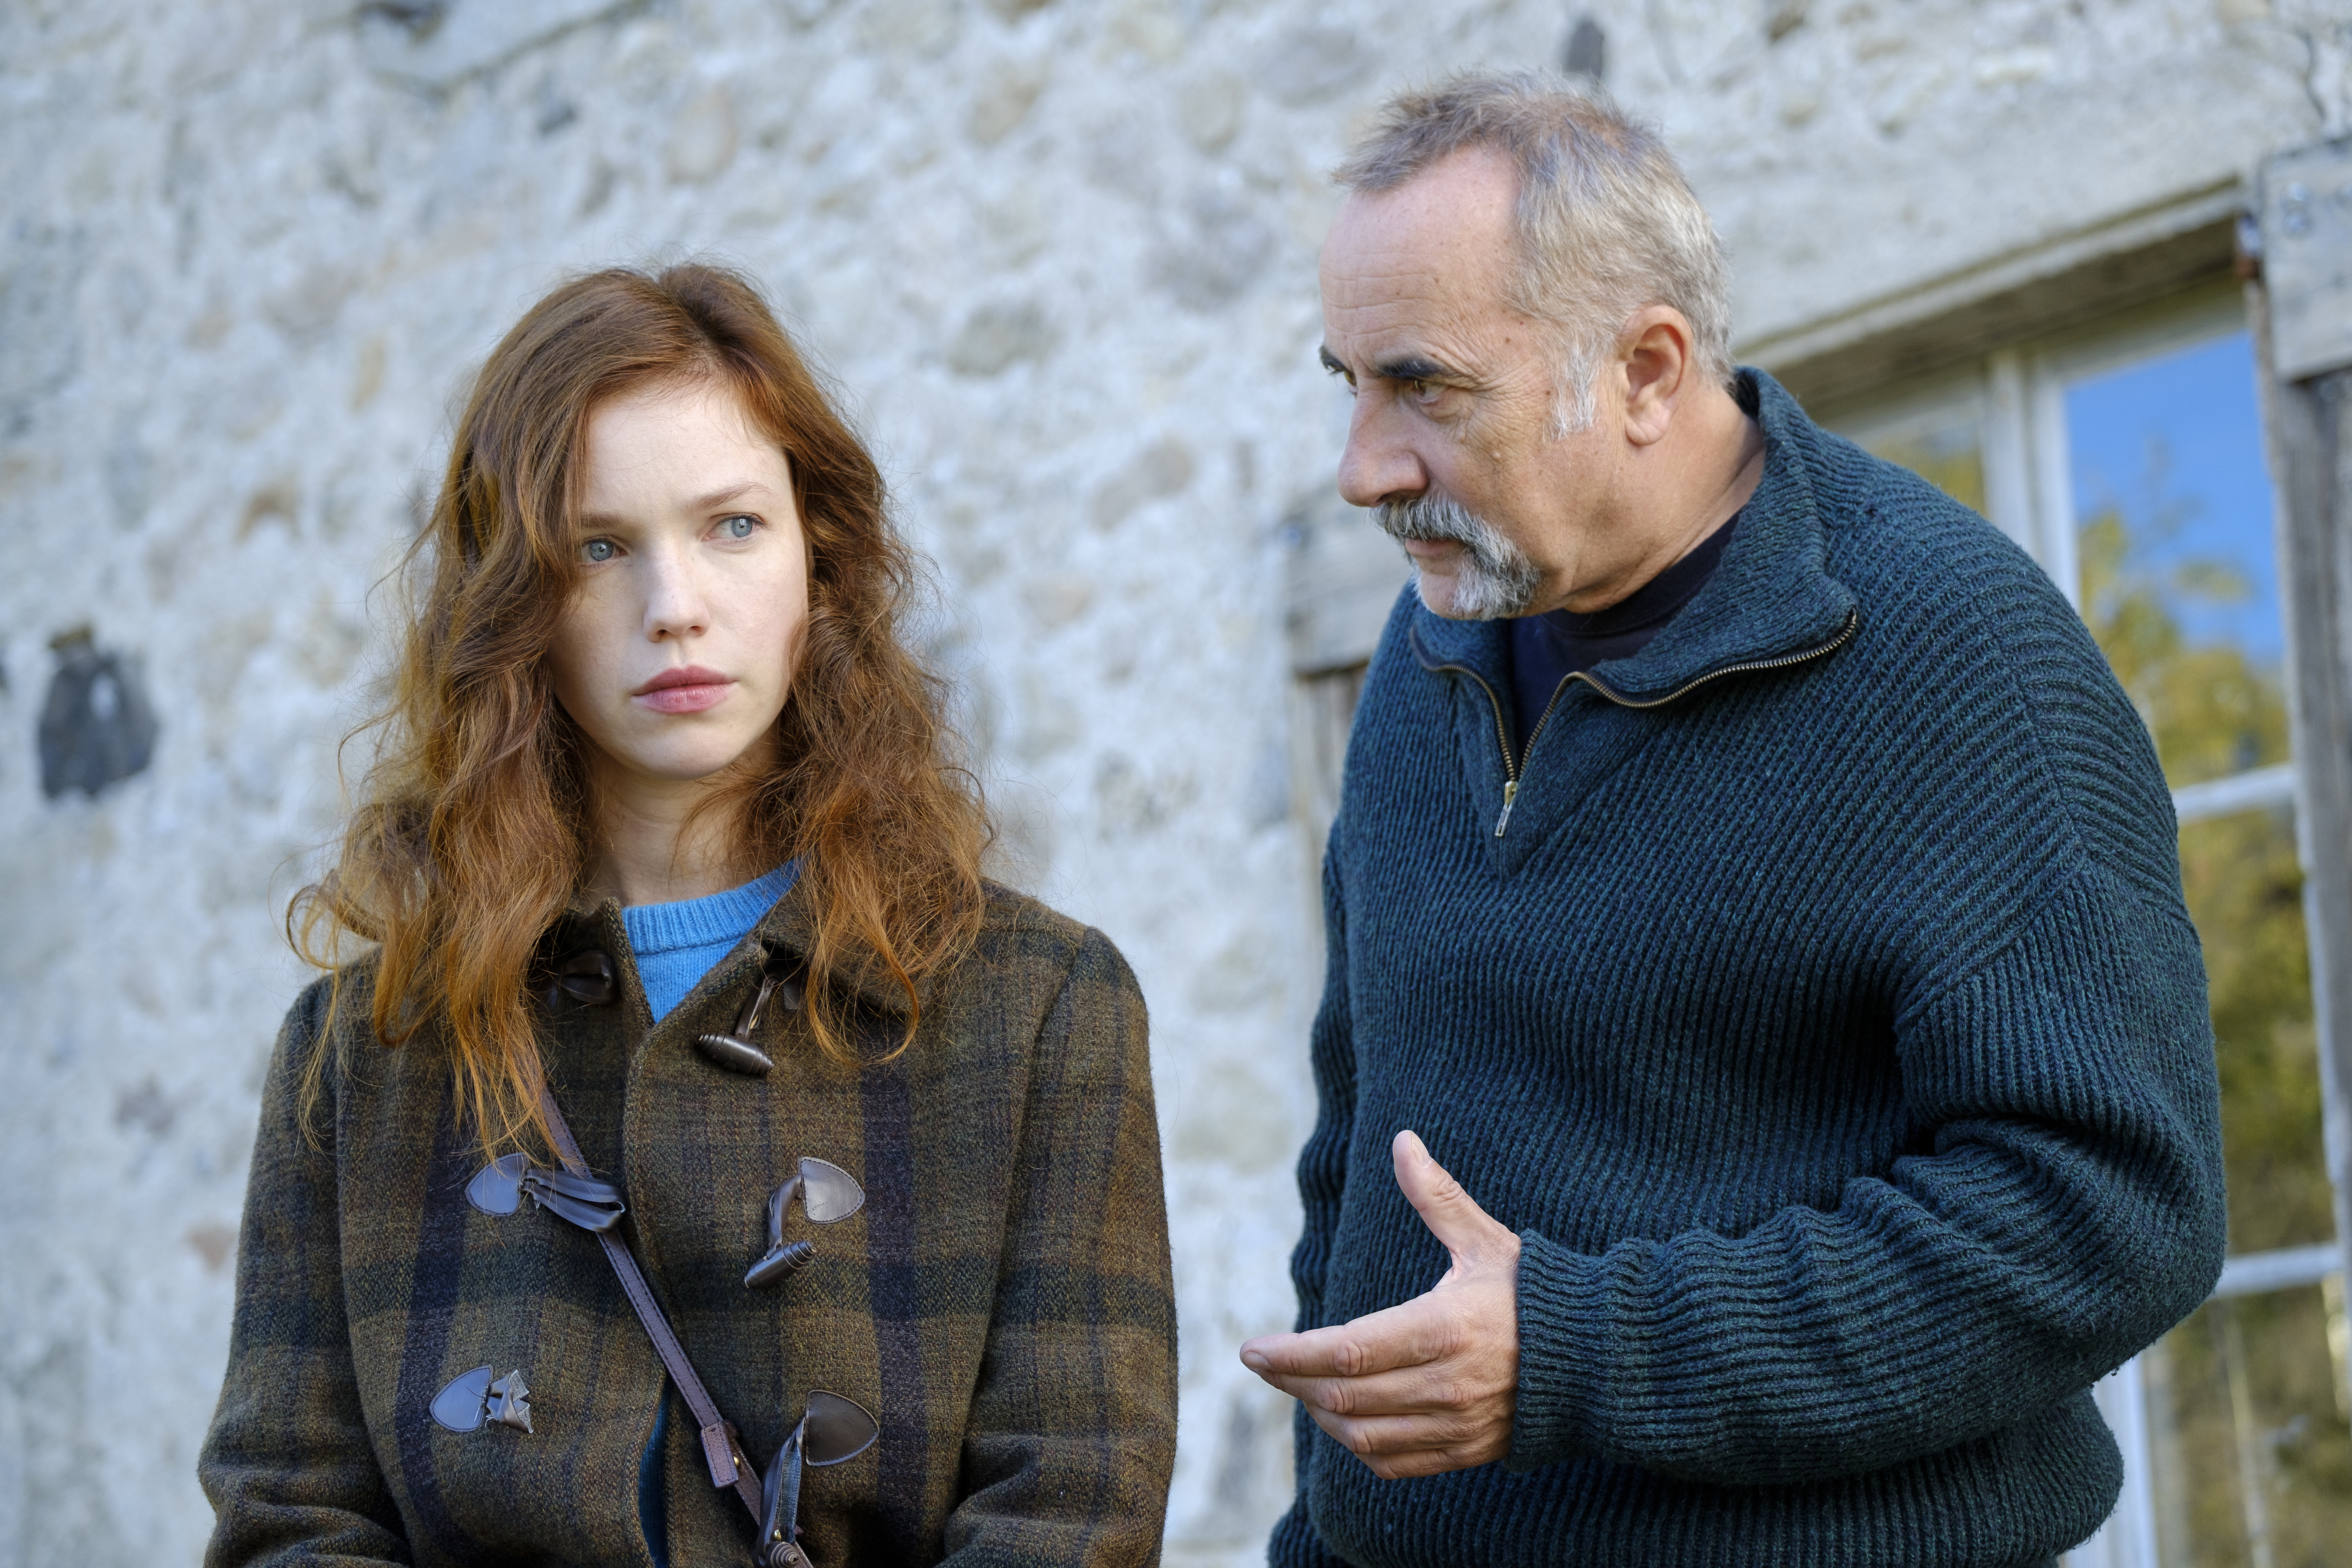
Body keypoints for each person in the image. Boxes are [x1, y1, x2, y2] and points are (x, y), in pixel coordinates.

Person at [1240, 72, 2226, 1568]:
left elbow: (2111, 1211)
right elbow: (1361, 1153)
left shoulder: (1959, 654)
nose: (1364, 467)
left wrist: (1580, 1349)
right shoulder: (1430, 645)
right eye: (1350, 382)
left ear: (1646, 370)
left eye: (1426, 387)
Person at [200, 264, 1176, 1568]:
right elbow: (290, 1514)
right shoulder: (362, 1049)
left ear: (817, 563)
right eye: (600, 547)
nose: (677, 606)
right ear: (517, 606)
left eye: (731, 527)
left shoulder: (1039, 1007)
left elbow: (1072, 1511)